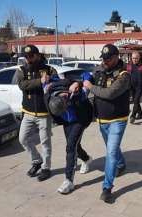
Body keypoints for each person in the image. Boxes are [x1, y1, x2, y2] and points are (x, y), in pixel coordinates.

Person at [83, 44, 131, 203]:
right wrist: (83, 81)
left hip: (118, 119)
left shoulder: (124, 75)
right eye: (103, 59)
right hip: (102, 119)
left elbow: (110, 93)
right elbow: (88, 76)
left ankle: (107, 188)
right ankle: (122, 163)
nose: (105, 62)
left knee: (110, 152)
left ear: (117, 57)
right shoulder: (99, 68)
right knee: (113, 148)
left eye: (108, 59)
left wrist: (90, 87)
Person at [44, 76, 94, 194]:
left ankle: (68, 181)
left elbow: (88, 76)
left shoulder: (78, 93)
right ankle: (86, 159)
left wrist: (78, 83)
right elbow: (46, 85)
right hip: (66, 121)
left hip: (80, 119)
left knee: (71, 146)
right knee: (74, 145)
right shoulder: (48, 96)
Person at [17, 45, 56, 181]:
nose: (28, 59)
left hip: (44, 113)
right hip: (28, 113)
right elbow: (22, 85)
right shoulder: (21, 70)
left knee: (45, 142)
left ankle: (46, 168)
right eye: (26, 56)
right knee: (22, 139)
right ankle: (36, 160)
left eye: (31, 56)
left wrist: (52, 84)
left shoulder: (49, 70)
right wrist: (40, 81)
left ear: (38, 55)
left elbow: (58, 84)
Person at [127, 51, 142, 124]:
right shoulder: (129, 65)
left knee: (136, 101)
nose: (134, 60)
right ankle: (140, 114)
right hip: (131, 87)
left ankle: (133, 116)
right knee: (136, 101)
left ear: (139, 58)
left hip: (140, 87)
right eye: (133, 58)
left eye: (136, 58)